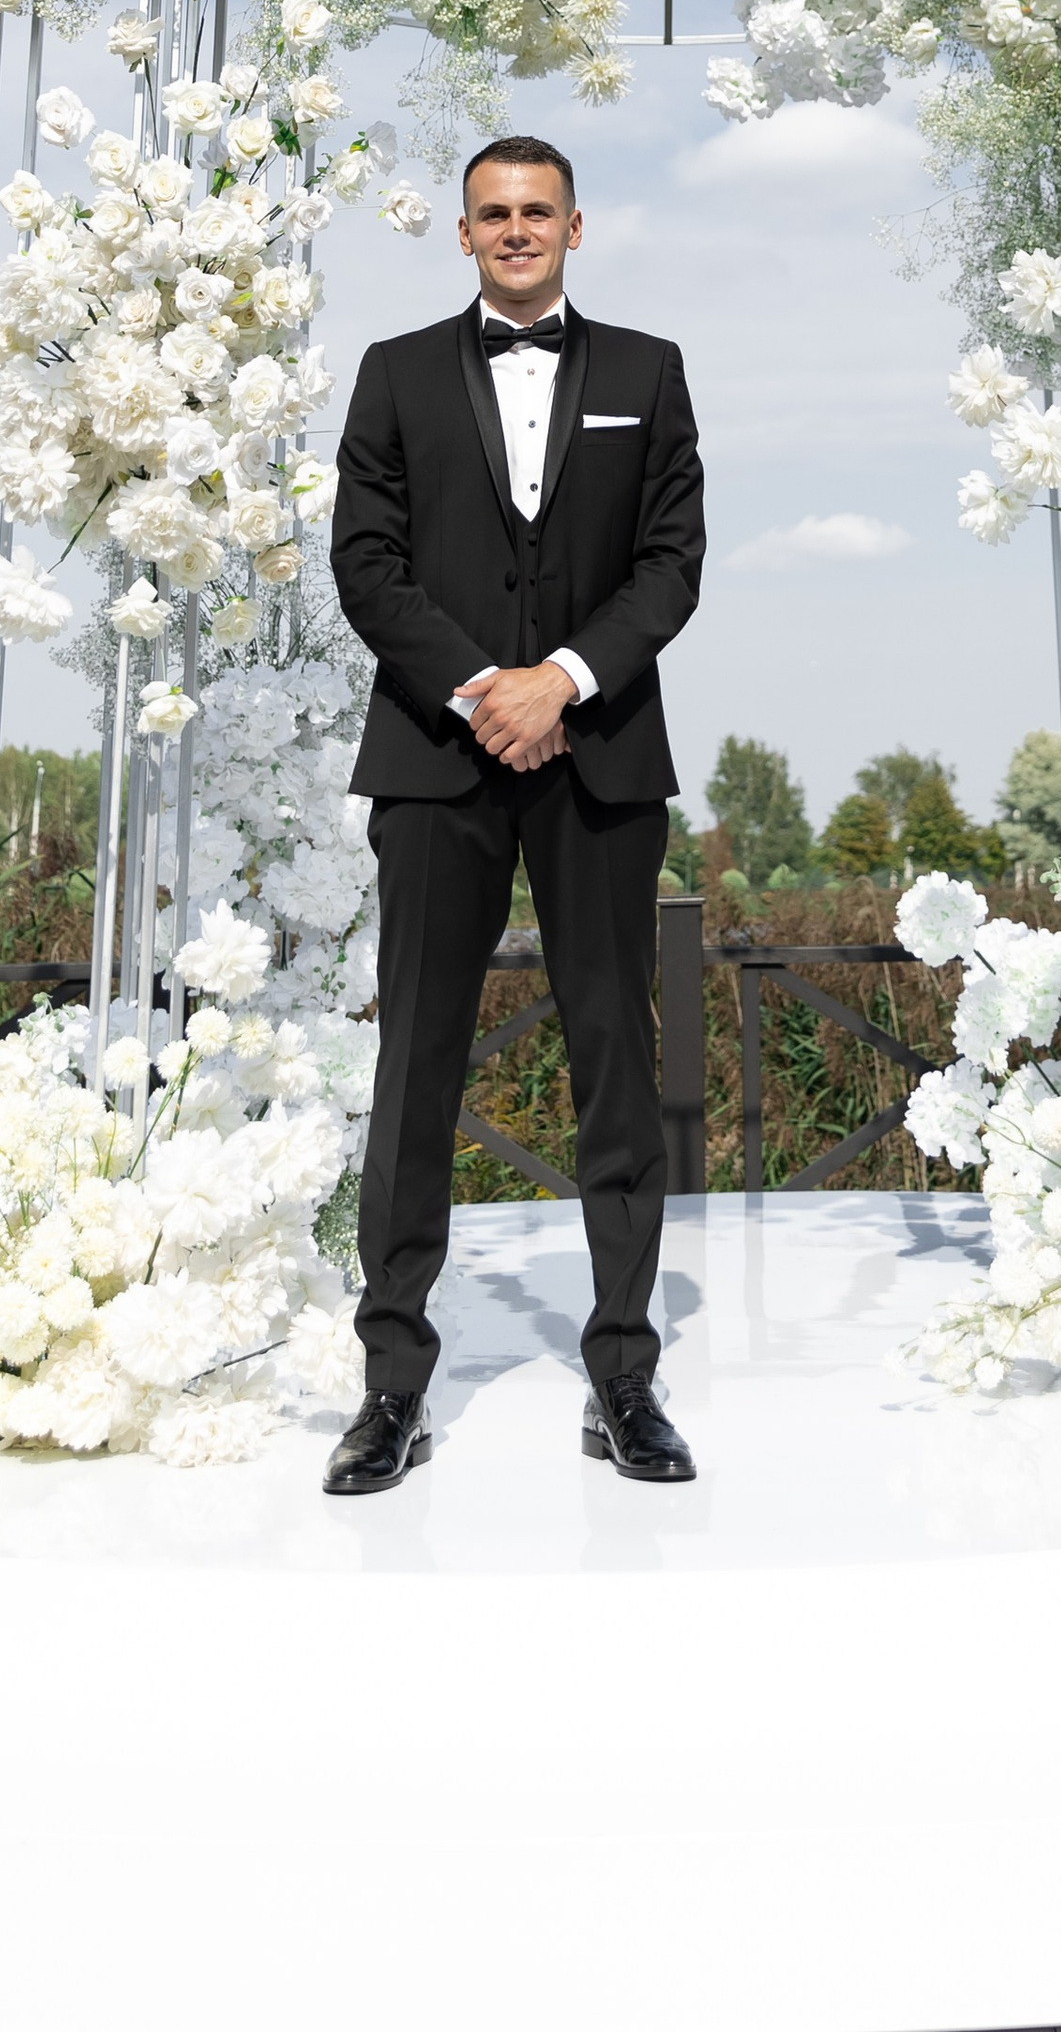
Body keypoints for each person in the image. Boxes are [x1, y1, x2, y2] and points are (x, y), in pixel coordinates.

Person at [322, 132, 705, 1496]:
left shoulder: (650, 373)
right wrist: (486, 687)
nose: (517, 228)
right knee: (417, 1066)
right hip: (439, 758)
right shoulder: (396, 373)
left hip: (599, 756)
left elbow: (672, 565)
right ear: (466, 232)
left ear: (576, 228)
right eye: (495, 211)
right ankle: (390, 1389)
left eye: (539, 210)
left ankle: (624, 1376)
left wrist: (564, 681)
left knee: (618, 1069)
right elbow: (363, 564)